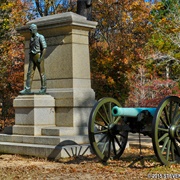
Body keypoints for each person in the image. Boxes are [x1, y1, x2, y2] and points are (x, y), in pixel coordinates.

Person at [20, 24, 47, 94]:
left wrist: (41, 58)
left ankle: (43, 88)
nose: (30, 32)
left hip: (38, 55)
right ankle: (27, 89)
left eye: (31, 30)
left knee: (42, 73)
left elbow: (44, 48)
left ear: (34, 30)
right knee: (29, 73)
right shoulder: (31, 38)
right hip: (32, 56)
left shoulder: (40, 37)